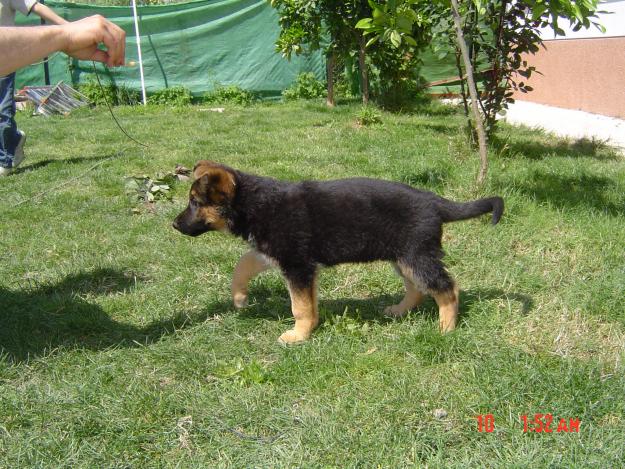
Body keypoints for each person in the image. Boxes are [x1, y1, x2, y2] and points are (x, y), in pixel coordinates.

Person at [0, 15, 126, 176]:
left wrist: (67, 32)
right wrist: (67, 34)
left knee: (3, 111)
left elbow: (37, 7)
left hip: (11, 58)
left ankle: (6, 156)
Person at [1, 0, 70, 176]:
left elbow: (36, 7)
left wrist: (68, 28)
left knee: (2, 110)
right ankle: (14, 138)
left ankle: (5, 161)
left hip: (4, 61)